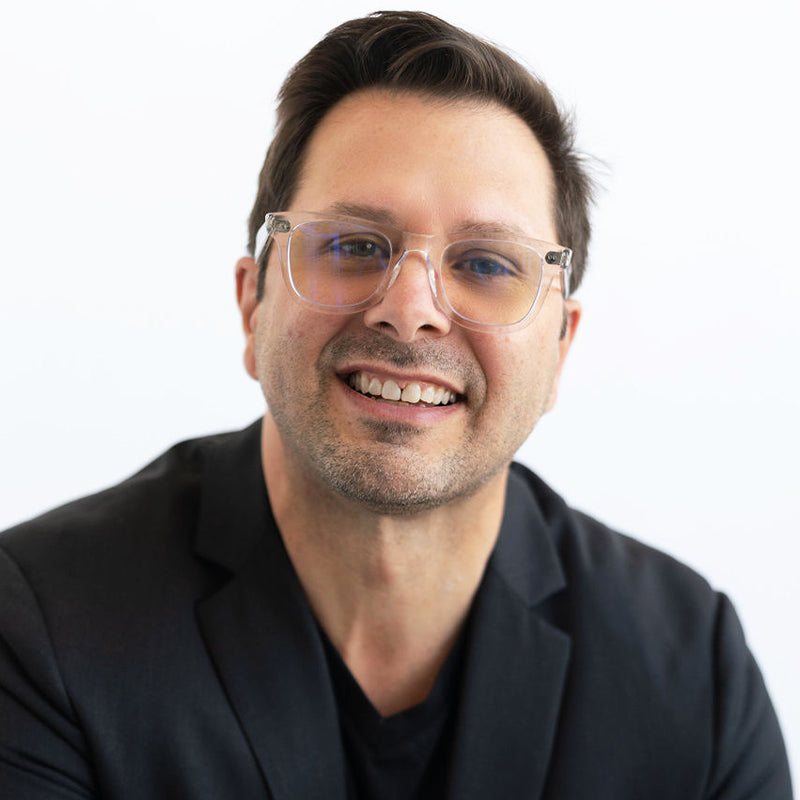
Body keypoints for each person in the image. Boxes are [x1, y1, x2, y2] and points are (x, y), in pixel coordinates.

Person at [0, 10, 792, 799]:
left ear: (559, 349)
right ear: (252, 306)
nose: (410, 309)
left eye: (487, 263)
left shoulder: (693, 673)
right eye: (351, 245)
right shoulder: (42, 626)